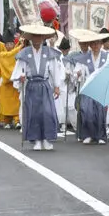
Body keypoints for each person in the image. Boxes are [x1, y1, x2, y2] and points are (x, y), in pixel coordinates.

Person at [11, 23, 64, 151]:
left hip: (45, 85)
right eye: (34, 37)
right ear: (30, 38)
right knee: (34, 113)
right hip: (31, 85)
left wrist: (57, 86)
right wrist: (20, 78)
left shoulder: (49, 52)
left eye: (39, 37)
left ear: (43, 38)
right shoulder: (24, 53)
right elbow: (18, 71)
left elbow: (54, 70)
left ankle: (47, 138)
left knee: (47, 112)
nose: (37, 39)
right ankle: (36, 140)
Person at [69, 29, 109, 144]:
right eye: (93, 43)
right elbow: (77, 70)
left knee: (101, 112)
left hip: (101, 87)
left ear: (101, 43)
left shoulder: (107, 56)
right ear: (90, 45)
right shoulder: (84, 58)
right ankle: (88, 134)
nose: (95, 45)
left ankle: (101, 136)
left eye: (97, 43)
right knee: (87, 112)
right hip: (87, 87)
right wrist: (78, 74)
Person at [0, 30, 24, 129]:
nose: (9, 46)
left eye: (11, 44)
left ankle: (17, 120)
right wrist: (20, 46)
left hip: (15, 81)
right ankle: (7, 121)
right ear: (5, 45)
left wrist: (21, 44)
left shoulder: (17, 52)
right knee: (6, 103)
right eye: (7, 44)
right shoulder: (2, 54)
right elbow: (10, 55)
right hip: (6, 81)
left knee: (16, 101)